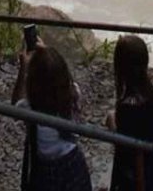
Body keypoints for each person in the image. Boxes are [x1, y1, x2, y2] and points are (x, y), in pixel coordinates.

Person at [12, 42, 93, 191]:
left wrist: (23, 68)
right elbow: (62, 77)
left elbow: (14, 105)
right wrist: (47, 53)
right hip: (73, 161)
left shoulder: (29, 108)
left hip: (45, 169)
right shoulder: (73, 94)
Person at [106, 34, 153, 191]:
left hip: (142, 178)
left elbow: (133, 151)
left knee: (110, 117)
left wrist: (112, 123)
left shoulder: (129, 106)